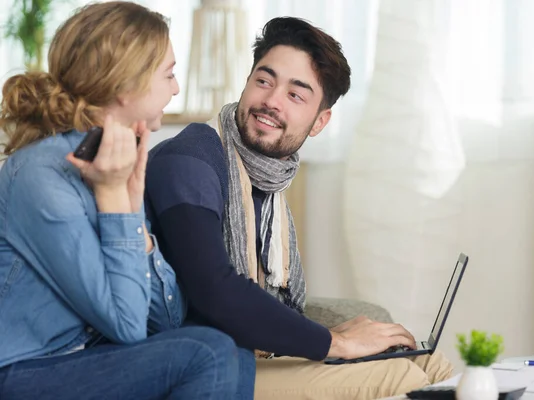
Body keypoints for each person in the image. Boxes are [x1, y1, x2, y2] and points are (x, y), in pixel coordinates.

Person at [145, 16, 453, 399]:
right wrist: (335, 343)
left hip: (252, 354)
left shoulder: (268, 180)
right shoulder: (190, 160)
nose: (271, 101)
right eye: (264, 80)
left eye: (295, 94)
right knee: (402, 380)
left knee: (431, 365)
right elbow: (215, 290)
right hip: (203, 368)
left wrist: (338, 338)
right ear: (246, 83)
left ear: (320, 121)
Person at [0, 2, 254, 399]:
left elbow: (165, 320)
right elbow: (128, 325)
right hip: (23, 368)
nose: (176, 88)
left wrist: (134, 216)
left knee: (235, 348)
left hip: (84, 354)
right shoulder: (41, 176)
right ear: (125, 86)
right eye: (168, 74)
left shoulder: (114, 160)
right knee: (208, 353)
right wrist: (118, 200)